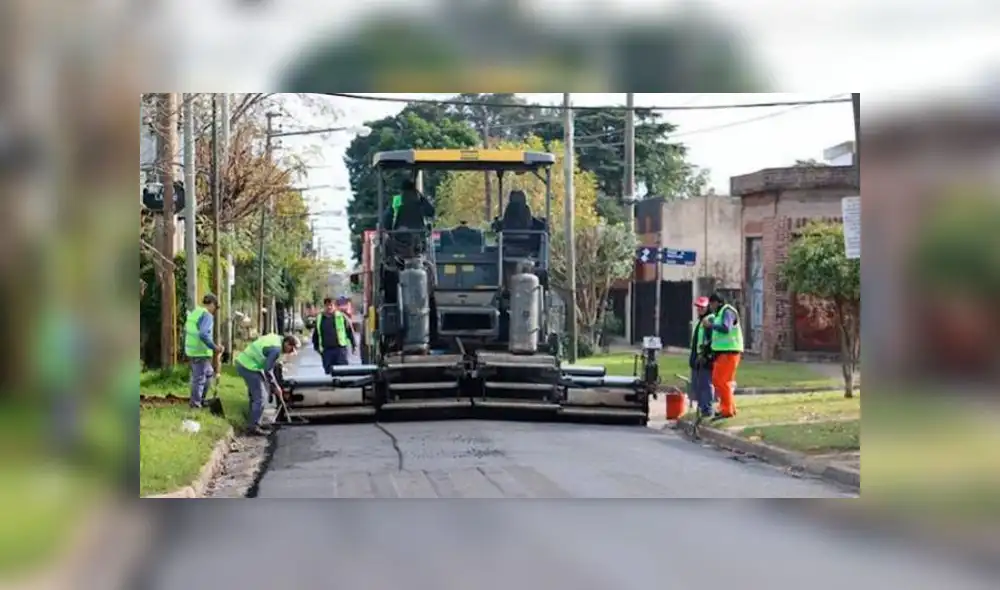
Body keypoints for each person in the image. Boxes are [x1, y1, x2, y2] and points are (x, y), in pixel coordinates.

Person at [235, 333, 301, 435]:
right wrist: (275, 386)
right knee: (261, 396)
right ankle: (253, 427)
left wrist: (273, 384)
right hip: (247, 366)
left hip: (247, 363)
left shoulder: (278, 340)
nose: (291, 352)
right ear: (287, 344)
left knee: (256, 395)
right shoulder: (276, 349)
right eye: (291, 349)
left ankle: (255, 421)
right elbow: (268, 370)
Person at [704, 292, 744, 419]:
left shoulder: (727, 311)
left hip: (729, 352)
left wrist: (711, 325)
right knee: (719, 380)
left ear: (718, 302)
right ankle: (729, 407)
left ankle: (726, 410)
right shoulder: (719, 314)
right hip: (723, 353)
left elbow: (726, 328)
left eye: (712, 303)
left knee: (722, 381)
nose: (711, 306)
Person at [184, 293, 223, 409]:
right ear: (212, 304)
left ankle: (200, 400)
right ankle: (195, 404)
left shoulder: (196, 312)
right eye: (215, 308)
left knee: (208, 374)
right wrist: (215, 347)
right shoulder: (207, 315)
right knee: (200, 379)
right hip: (200, 352)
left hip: (192, 350)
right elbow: (203, 334)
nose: (214, 311)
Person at [312, 296, 357, 373]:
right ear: (324, 306)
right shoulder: (320, 318)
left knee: (343, 371)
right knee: (329, 371)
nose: (329, 307)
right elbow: (316, 334)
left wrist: (354, 345)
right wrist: (317, 348)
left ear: (334, 306)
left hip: (340, 349)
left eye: (331, 305)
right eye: (327, 305)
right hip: (326, 351)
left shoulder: (341, 316)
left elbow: (350, 331)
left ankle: (342, 385)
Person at [689, 296, 716, 420]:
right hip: (698, 358)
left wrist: (705, 355)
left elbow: (710, 340)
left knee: (706, 384)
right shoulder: (701, 321)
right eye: (698, 307)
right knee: (699, 385)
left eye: (702, 307)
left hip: (705, 358)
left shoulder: (709, 320)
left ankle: (707, 409)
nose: (699, 309)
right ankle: (702, 407)